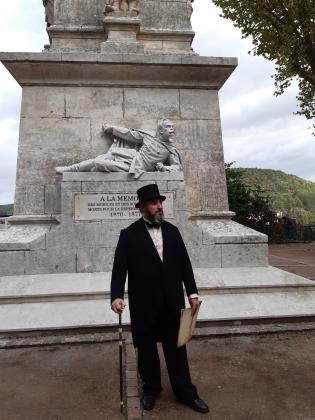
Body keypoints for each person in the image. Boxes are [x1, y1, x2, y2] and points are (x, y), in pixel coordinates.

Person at [111, 184, 209, 413]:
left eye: (160, 202)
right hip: (144, 304)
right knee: (146, 350)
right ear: (142, 208)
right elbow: (119, 270)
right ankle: (151, 389)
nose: (159, 207)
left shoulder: (173, 231)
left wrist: (193, 294)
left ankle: (186, 392)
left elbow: (185, 265)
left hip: (172, 302)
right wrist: (116, 296)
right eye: (154, 203)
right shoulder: (128, 235)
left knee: (176, 350)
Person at [55, 119, 182, 179]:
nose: (172, 129)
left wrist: (165, 168)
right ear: (160, 130)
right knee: (104, 157)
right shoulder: (148, 135)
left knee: (99, 162)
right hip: (131, 155)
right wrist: (113, 128)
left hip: (137, 167)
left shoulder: (170, 149)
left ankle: (95, 168)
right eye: (168, 127)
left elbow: (177, 167)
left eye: (172, 127)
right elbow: (129, 134)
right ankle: (71, 169)